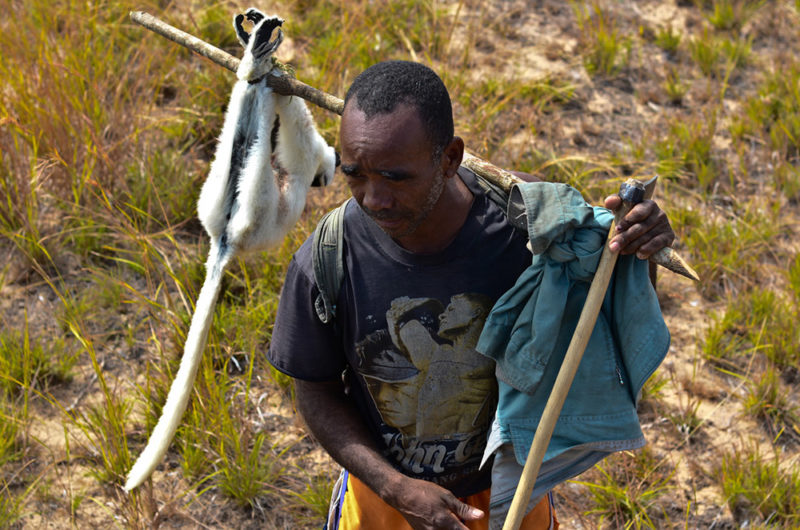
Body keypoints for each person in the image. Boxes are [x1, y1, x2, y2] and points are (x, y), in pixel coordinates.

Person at [267, 60, 675, 530]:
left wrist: (635, 251)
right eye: (355, 174)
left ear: (450, 158)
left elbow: (606, 313)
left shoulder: (530, 228)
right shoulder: (329, 257)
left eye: (396, 177)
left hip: (507, 498)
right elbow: (315, 392)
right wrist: (395, 487)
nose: (373, 198)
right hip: (383, 505)